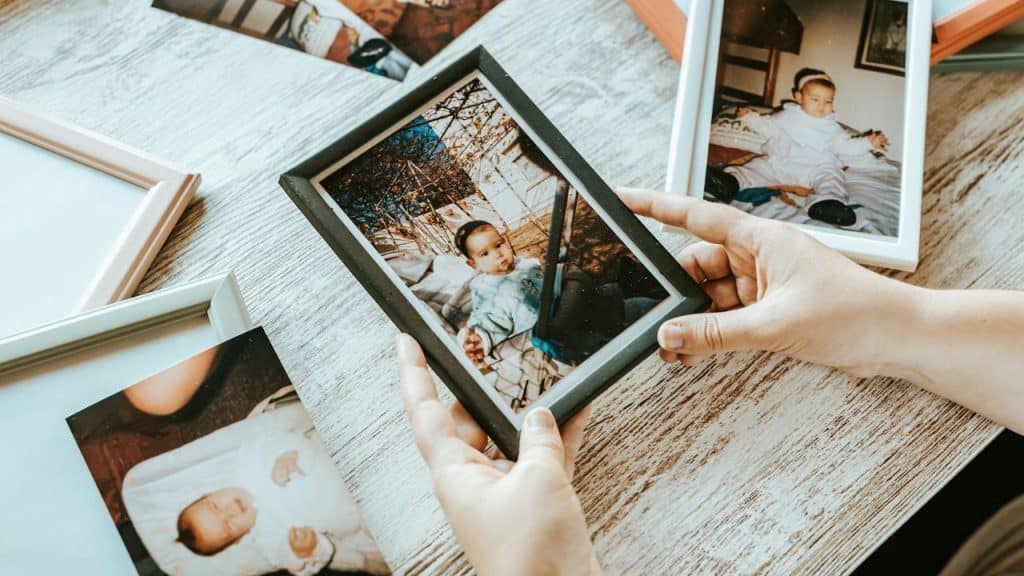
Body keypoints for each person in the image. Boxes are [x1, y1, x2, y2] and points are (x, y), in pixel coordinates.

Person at [397, 188, 1024, 575]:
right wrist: (900, 329)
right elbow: (497, 332)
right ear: (471, 264)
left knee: (635, 299)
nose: (499, 256)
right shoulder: (485, 298)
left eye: (500, 245)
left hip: (585, 313)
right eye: (485, 254)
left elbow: (561, 284)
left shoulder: (530, 263)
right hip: (551, 340)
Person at [176, 427, 388, 575]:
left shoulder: (245, 465)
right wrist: (303, 550)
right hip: (358, 516)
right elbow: (291, 561)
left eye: (215, 506)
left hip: (337, 457)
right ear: (238, 539)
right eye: (228, 526)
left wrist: (282, 455)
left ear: (210, 493)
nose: (229, 511)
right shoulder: (266, 538)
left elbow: (272, 439)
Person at [705, 68, 890, 227]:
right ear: (799, 97)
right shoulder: (787, 116)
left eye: (828, 101)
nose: (821, 106)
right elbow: (768, 127)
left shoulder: (832, 127)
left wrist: (868, 142)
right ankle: (729, 182)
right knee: (757, 167)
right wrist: (750, 118)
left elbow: (847, 146)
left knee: (832, 178)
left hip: (817, 168)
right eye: (815, 99)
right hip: (782, 163)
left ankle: (827, 204)